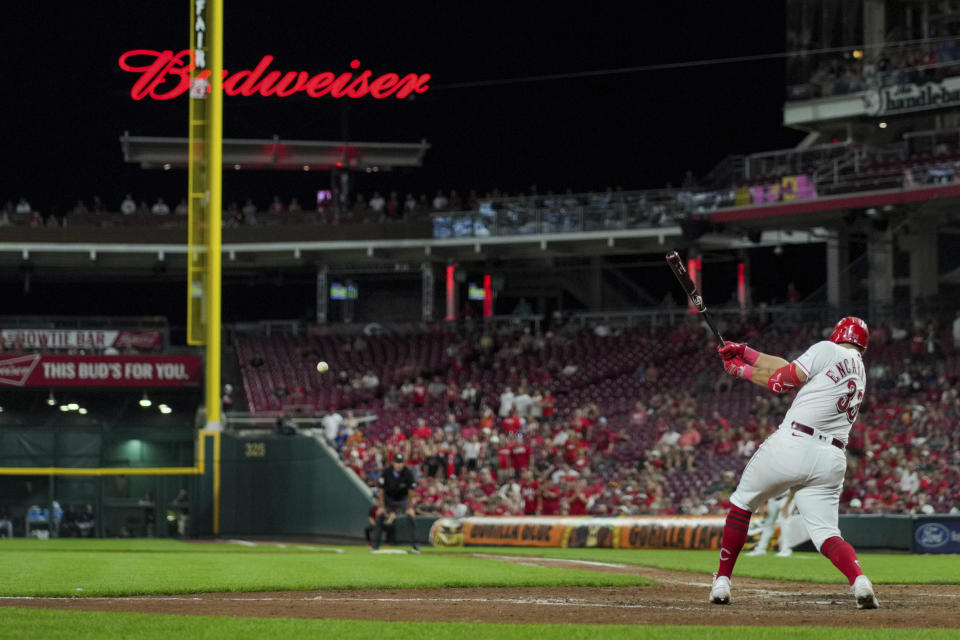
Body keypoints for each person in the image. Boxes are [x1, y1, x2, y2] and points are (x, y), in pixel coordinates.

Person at [710, 317, 878, 610]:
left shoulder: (827, 349)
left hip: (794, 442)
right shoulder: (859, 368)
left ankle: (722, 581)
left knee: (742, 504)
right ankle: (860, 581)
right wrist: (747, 352)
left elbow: (780, 381)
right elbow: (790, 366)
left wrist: (740, 369)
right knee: (827, 534)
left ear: (837, 333)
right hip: (832, 458)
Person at [371, 453, 420, 553]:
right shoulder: (387, 472)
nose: (398, 465)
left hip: (402, 499)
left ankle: (416, 547)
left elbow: (411, 491)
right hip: (389, 499)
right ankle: (374, 546)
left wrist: (409, 507)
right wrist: (382, 506)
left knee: (411, 516)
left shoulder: (407, 473)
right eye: (397, 462)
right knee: (380, 515)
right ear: (393, 463)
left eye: (400, 462)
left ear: (403, 463)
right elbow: (381, 490)